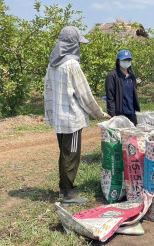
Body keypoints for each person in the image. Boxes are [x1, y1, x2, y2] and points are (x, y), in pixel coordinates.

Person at [44, 26, 110, 205]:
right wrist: (99, 113)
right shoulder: (72, 65)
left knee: (65, 153)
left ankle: (64, 188)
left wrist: (50, 114)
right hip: (71, 119)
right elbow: (84, 93)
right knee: (71, 155)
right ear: (72, 44)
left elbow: (47, 91)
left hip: (59, 117)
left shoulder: (53, 63)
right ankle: (69, 194)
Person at [105, 49, 140, 126]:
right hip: (119, 113)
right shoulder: (112, 76)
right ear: (118, 61)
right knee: (121, 136)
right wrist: (112, 115)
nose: (127, 62)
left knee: (132, 136)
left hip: (131, 112)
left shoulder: (131, 76)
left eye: (129, 60)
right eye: (124, 60)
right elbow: (110, 97)